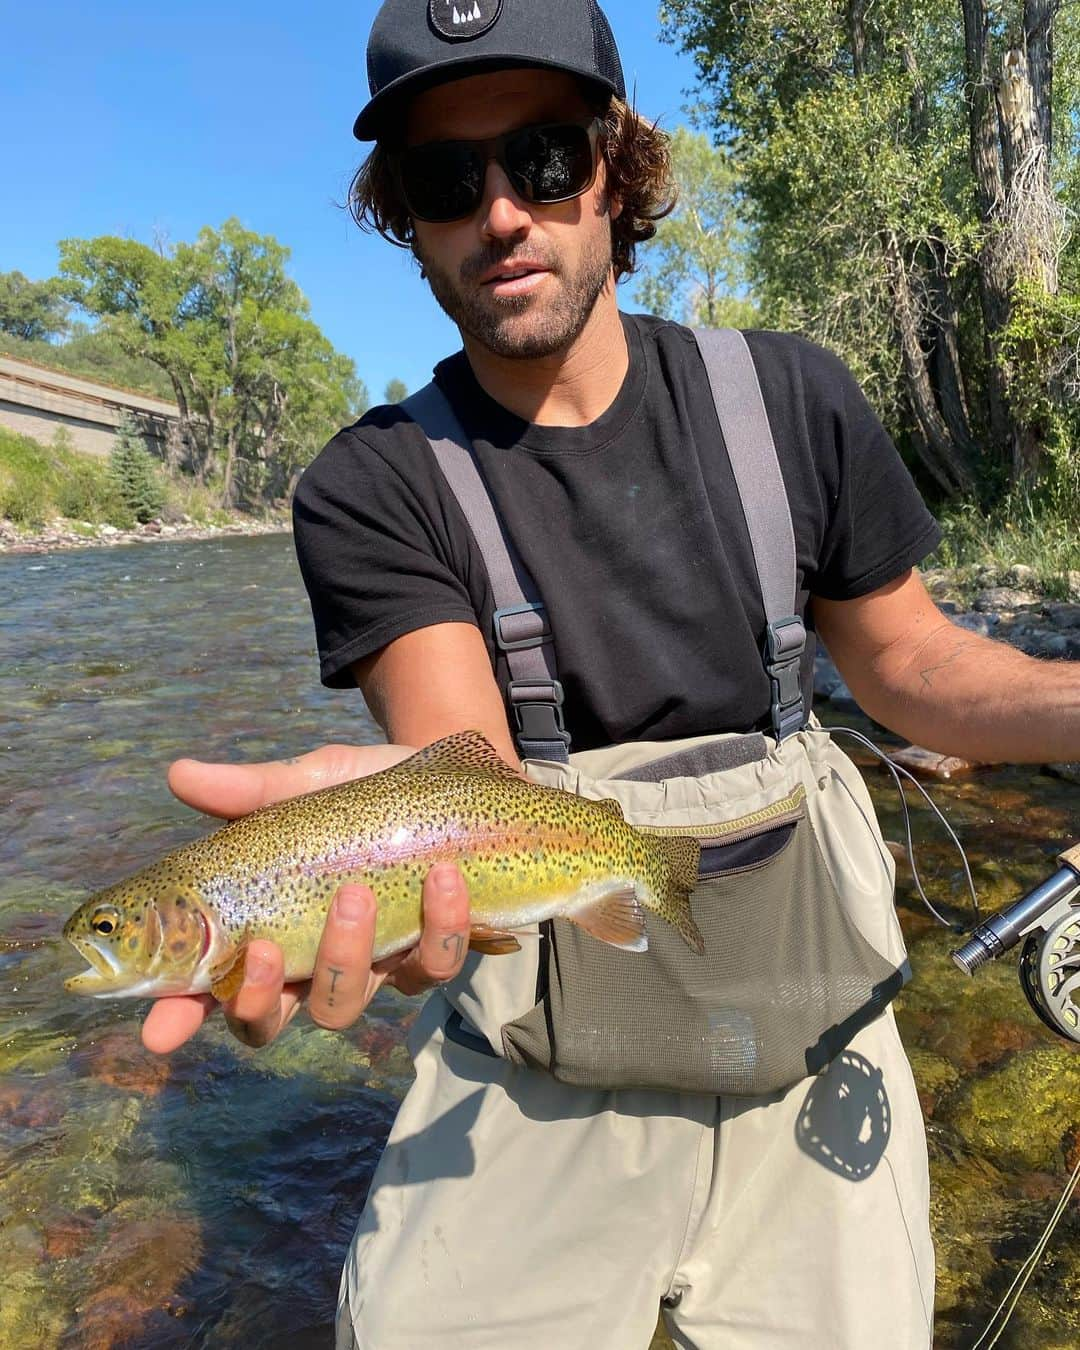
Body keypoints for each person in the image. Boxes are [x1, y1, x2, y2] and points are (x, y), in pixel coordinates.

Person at [141, 1, 1080, 1345]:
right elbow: (471, 772)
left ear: (618, 171)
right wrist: (382, 850)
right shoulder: (372, 486)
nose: (502, 214)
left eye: (543, 157)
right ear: (402, 215)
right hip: (543, 1031)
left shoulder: (793, 399)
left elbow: (918, 667)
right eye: (445, 179)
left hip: (811, 1020)